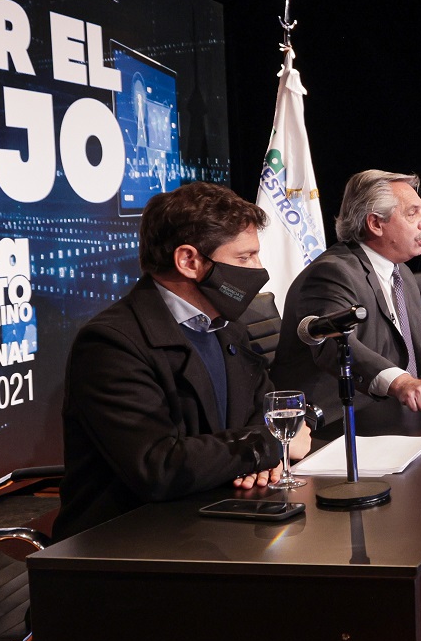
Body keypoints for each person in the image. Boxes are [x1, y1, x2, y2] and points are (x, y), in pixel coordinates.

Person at [57, 182, 311, 539]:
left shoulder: (228, 326)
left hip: (217, 519)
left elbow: (260, 410)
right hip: (127, 544)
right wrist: (270, 445)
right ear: (189, 261)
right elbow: (157, 466)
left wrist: (260, 455)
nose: (258, 269)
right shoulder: (110, 343)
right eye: (244, 258)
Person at [275, 170, 421, 425]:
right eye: (412, 213)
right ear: (375, 223)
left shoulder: (400, 271)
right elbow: (334, 344)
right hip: (336, 423)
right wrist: (402, 382)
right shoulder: (332, 272)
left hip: (393, 413)